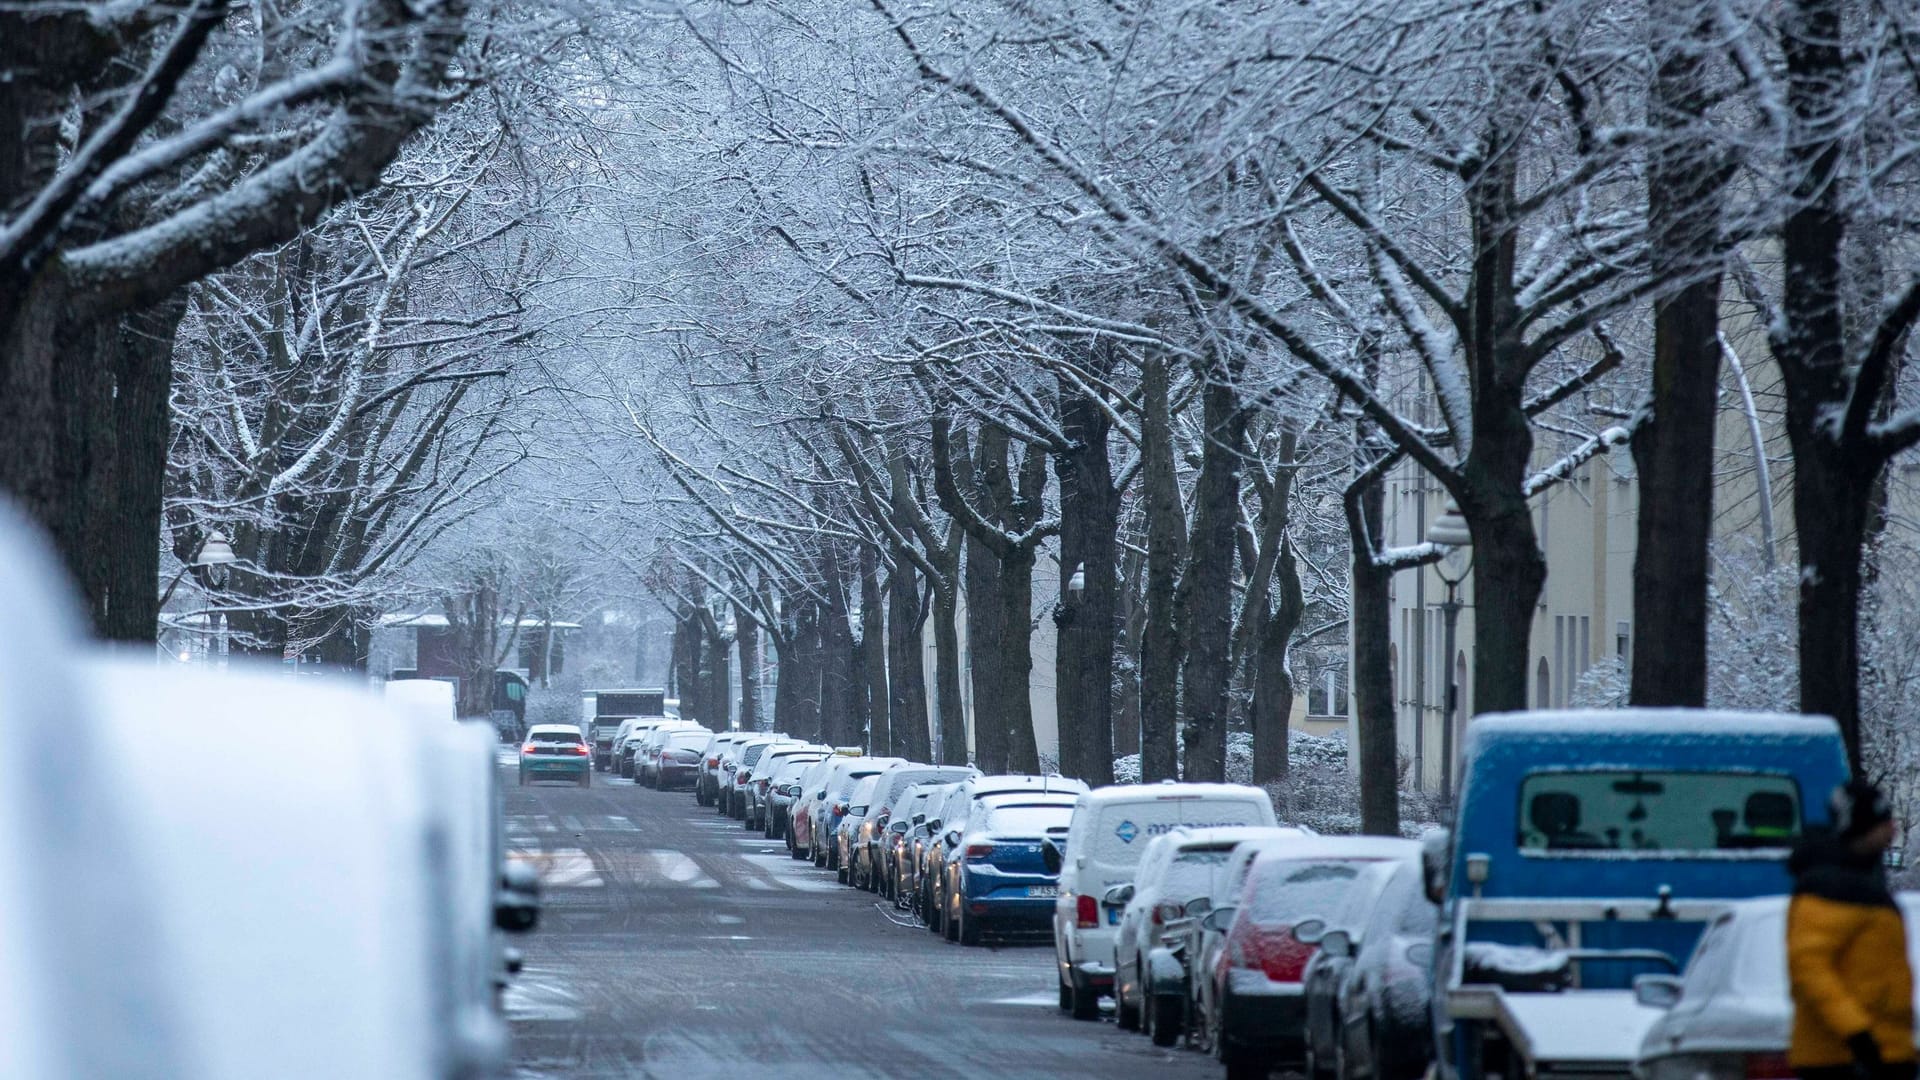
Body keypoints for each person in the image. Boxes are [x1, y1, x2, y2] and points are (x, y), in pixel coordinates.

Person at [1788, 780, 1914, 1080]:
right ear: (1861, 828)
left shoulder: (1860, 880)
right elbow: (1810, 966)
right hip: (1845, 1058)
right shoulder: (1831, 887)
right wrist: (1858, 1034)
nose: (1892, 830)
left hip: (1881, 1052)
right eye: (1883, 822)